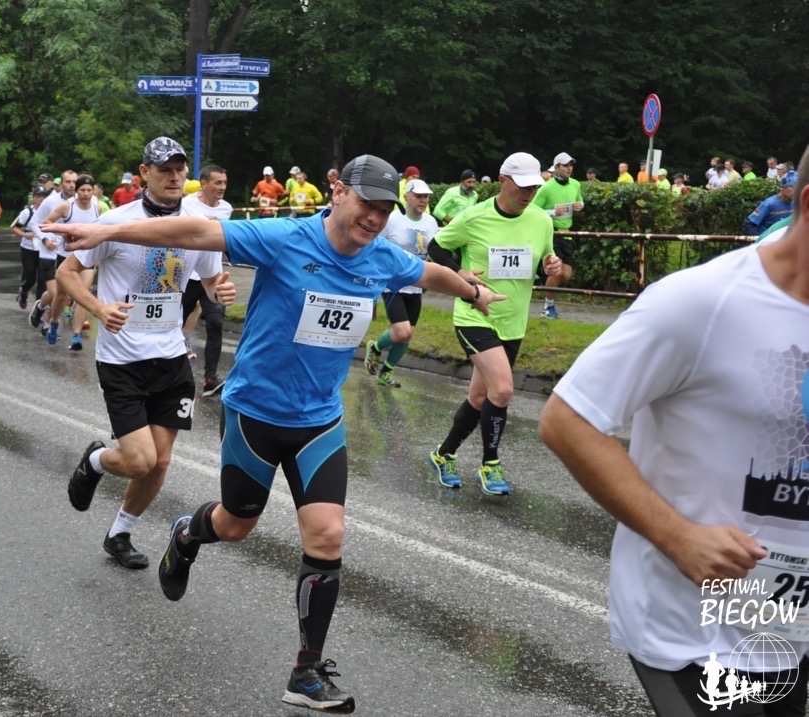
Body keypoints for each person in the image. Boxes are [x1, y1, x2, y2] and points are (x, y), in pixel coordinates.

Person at [47, 153, 502, 714]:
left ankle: (306, 673)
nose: (375, 218)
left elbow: (427, 273)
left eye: (386, 210)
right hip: (255, 414)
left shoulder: (382, 257)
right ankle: (188, 534)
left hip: (319, 420)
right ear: (338, 192)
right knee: (236, 525)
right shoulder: (285, 237)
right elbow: (195, 231)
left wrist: (472, 292)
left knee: (328, 535)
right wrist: (106, 230)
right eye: (367, 204)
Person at [538, 146, 809, 717]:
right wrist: (679, 537)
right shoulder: (702, 302)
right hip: (693, 630)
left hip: (789, 626)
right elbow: (568, 419)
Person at [45, 137, 235, 572]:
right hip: (122, 360)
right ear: (144, 173)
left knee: (160, 460)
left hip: (171, 357)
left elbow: (210, 280)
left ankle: (120, 533)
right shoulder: (116, 222)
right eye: (164, 169)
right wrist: (99, 309)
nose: (174, 177)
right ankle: (95, 460)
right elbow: (68, 273)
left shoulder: (197, 225)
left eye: (180, 169)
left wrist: (218, 290)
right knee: (138, 460)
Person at [426, 152, 561, 495]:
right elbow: (436, 247)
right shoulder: (474, 217)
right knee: (501, 390)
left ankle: (443, 454)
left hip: (513, 322)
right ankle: (490, 463)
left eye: (535, 187)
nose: (530, 193)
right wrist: (460, 273)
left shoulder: (541, 221)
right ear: (502, 181)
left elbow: (547, 263)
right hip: (474, 315)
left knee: (479, 396)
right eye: (523, 186)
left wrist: (554, 268)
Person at [364, 178, 440, 388]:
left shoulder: (431, 222)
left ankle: (386, 372)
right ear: (406, 197)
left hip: (416, 284)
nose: (423, 200)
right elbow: (374, 243)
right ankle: (375, 348)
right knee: (402, 331)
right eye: (418, 196)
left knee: (407, 336)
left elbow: (434, 250)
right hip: (393, 284)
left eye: (426, 197)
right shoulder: (393, 219)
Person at [180, 164, 232, 395]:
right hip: (188, 276)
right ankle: (169, 369)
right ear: (203, 184)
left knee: (216, 322)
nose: (222, 187)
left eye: (224, 183)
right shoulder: (186, 204)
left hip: (212, 276)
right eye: (217, 182)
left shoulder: (226, 209)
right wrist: (202, 225)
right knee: (175, 324)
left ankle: (210, 378)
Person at [40, 173, 100, 349]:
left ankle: (76, 335)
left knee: (84, 294)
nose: (86, 194)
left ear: (93, 191)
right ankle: (54, 321)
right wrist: (64, 233)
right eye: (82, 190)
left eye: (89, 190)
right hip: (66, 256)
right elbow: (47, 222)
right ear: (76, 191)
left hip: (87, 257)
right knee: (61, 295)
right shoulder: (67, 206)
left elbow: (102, 228)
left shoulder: (97, 206)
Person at [533, 152, 584, 319]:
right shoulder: (546, 187)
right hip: (552, 233)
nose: (569, 168)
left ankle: (544, 281)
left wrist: (580, 206)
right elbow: (532, 210)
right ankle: (547, 307)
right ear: (556, 168)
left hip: (567, 233)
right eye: (565, 165)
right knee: (556, 271)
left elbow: (580, 201)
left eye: (571, 165)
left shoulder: (575, 184)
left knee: (566, 275)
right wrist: (552, 212)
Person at [27, 170, 77, 337]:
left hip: (69, 254)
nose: (72, 185)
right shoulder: (51, 201)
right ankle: (44, 312)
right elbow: (34, 223)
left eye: (74, 182)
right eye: (68, 181)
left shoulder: (80, 202)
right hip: (50, 253)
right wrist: (44, 240)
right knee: (56, 292)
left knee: (63, 294)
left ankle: (46, 315)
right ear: (61, 183)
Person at [11, 187, 49, 309]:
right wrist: (26, 235)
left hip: (44, 249)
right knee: (30, 278)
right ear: (34, 198)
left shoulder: (50, 211)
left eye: (44, 197)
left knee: (43, 280)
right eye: (39, 197)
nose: (41, 199)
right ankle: (24, 290)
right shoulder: (27, 212)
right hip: (28, 249)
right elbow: (15, 228)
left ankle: (38, 308)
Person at [742, 170, 797, 236]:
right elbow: (748, 225)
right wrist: (761, 239)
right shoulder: (769, 204)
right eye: (792, 187)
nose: (796, 191)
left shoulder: (796, 204)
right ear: (783, 187)